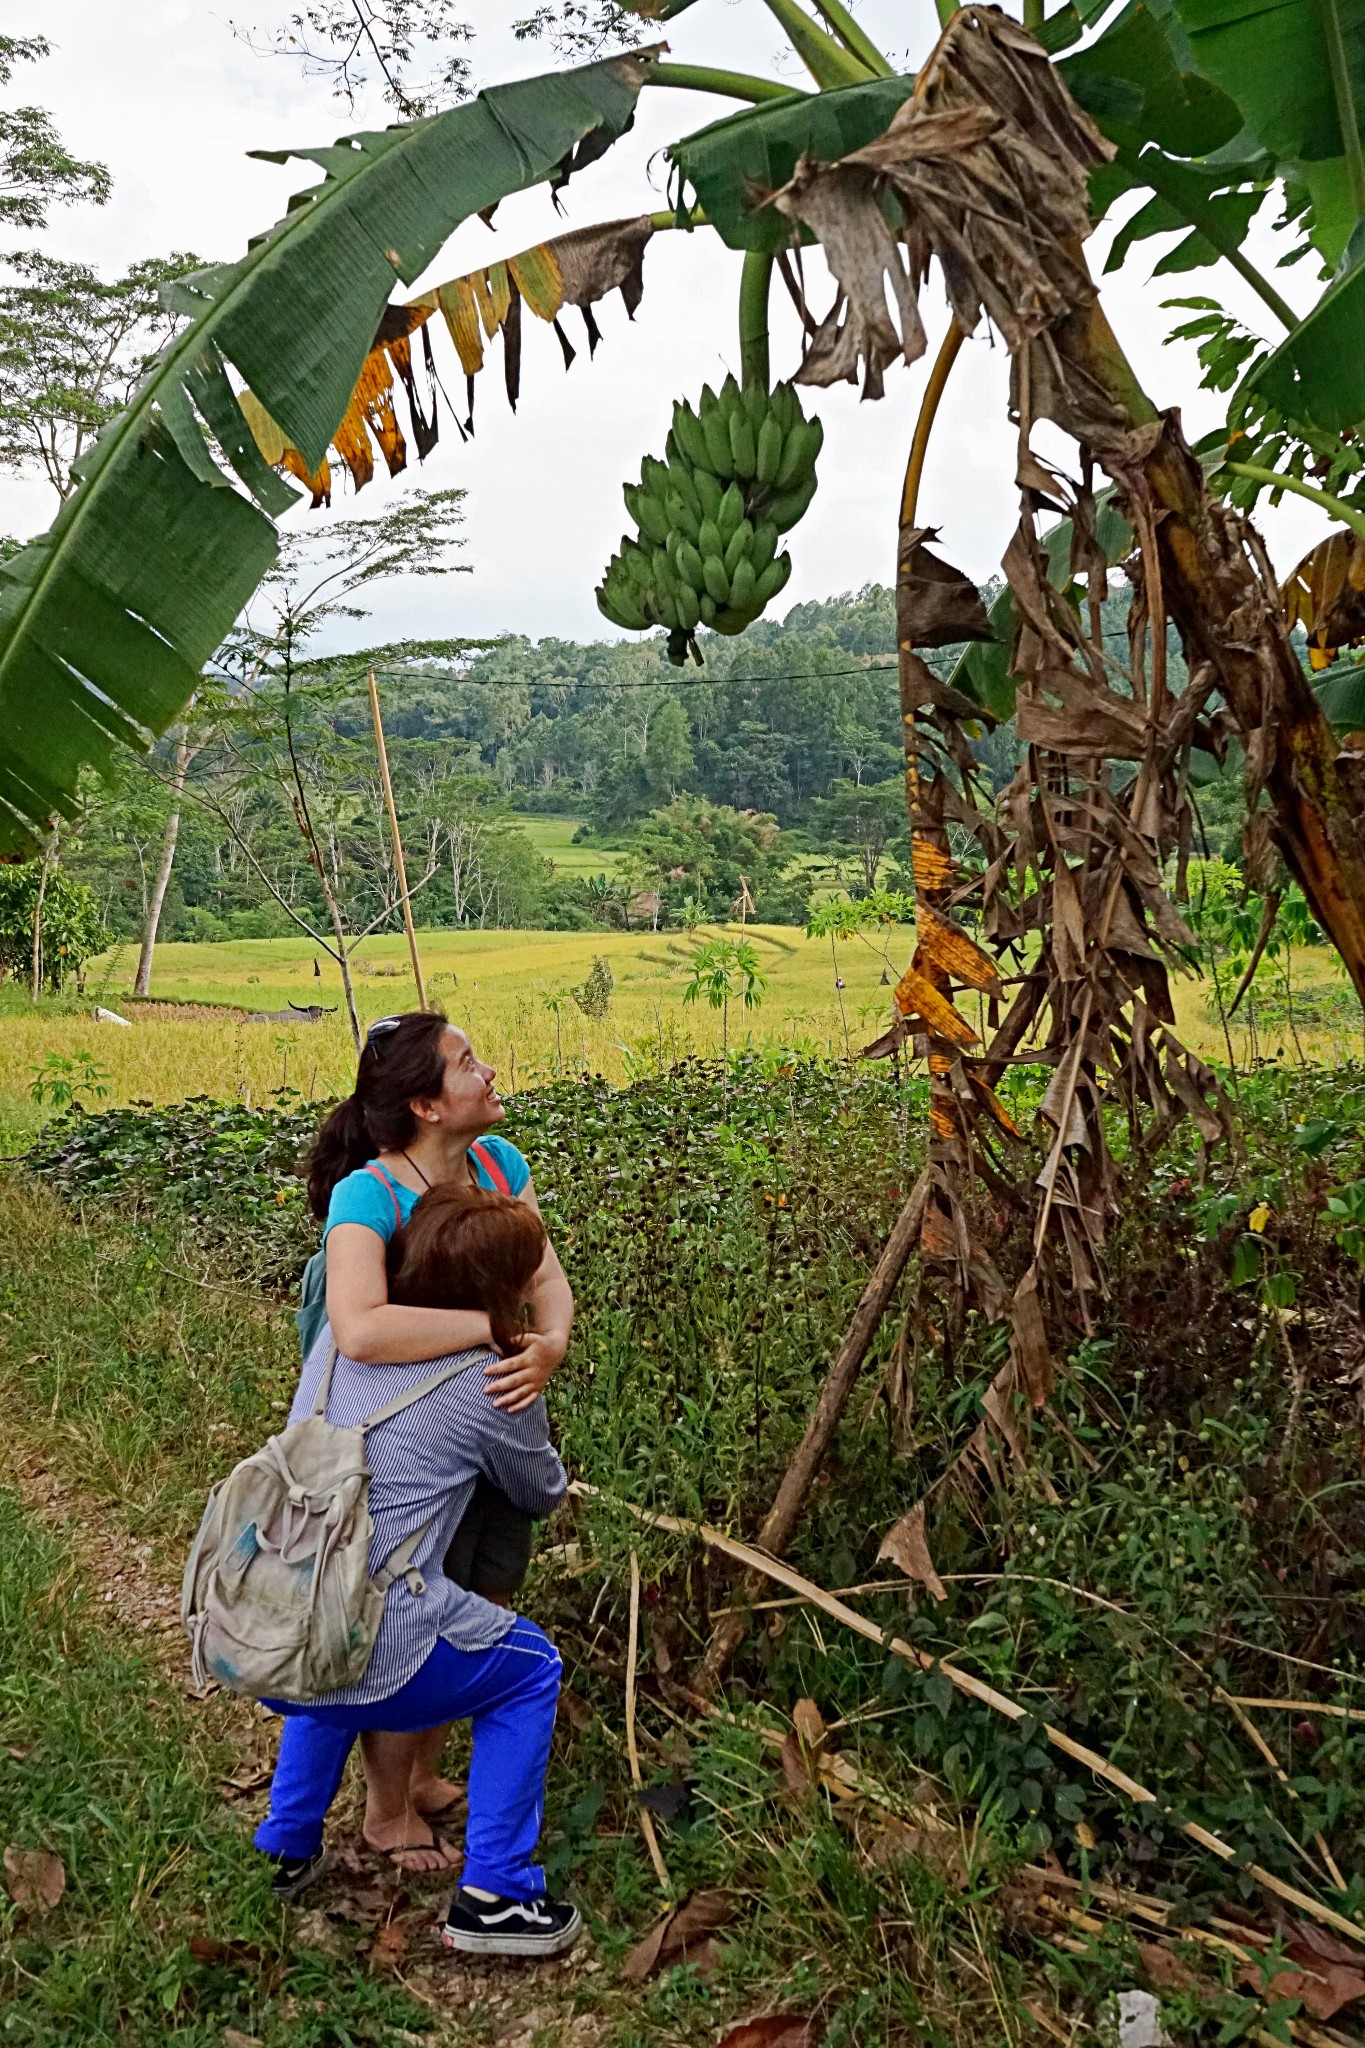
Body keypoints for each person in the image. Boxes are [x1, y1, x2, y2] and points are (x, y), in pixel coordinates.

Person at [254, 1175, 581, 1957]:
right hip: (380, 1632)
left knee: (336, 1633)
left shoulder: (346, 1337)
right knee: (530, 1668)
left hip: (282, 1612)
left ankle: (287, 1841)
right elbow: (538, 1490)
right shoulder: (490, 1376)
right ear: (501, 1290)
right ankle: (496, 1895)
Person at [283, 1011, 575, 1875]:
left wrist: (548, 1344)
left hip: (486, 1410)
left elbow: (545, 1278)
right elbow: (360, 1328)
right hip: (412, 1431)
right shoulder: (368, 1193)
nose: (487, 1071)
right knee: (407, 1608)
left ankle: (422, 1776)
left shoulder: (498, 1164)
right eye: (465, 1063)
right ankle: (383, 1809)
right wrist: (488, 1334)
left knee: (478, 1592)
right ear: (425, 1104)